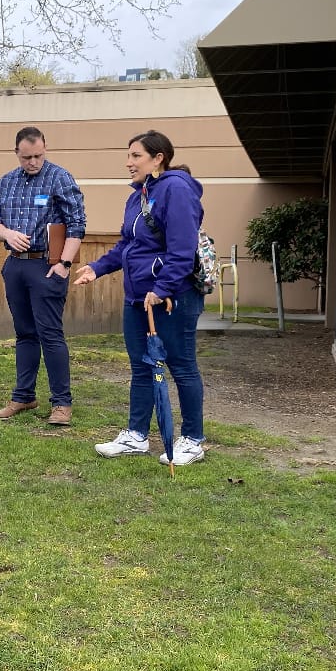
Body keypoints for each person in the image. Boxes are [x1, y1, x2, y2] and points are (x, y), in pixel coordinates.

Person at [74, 130, 207, 466]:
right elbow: (127, 245)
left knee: (181, 366)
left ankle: (193, 440)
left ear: (158, 158)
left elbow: (182, 249)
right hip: (137, 298)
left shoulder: (176, 189)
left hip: (172, 297)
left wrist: (162, 289)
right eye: (128, 155)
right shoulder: (138, 195)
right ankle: (136, 436)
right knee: (142, 366)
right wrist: (97, 268)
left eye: (136, 156)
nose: (128, 162)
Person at [0, 126, 86, 426]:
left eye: (38, 156)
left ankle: (62, 403)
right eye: (27, 157)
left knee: (50, 334)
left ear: (45, 149)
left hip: (47, 265)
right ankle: (23, 396)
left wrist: (64, 263)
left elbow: (77, 224)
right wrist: (7, 234)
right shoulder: (7, 181)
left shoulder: (60, 177)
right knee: (25, 334)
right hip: (16, 265)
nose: (33, 162)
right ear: (16, 153)